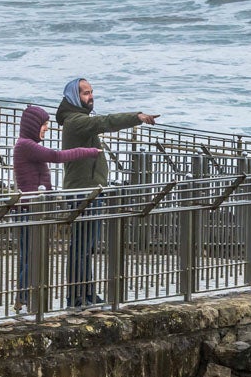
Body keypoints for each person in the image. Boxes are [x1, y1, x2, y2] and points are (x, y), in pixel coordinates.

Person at [56, 78, 158, 307]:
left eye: (91, 92)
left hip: (92, 190)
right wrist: (137, 117)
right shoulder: (75, 121)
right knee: (81, 247)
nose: (90, 96)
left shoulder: (79, 120)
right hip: (83, 193)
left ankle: (87, 293)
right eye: (85, 93)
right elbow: (106, 121)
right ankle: (76, 296)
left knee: (86, 247)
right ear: (73, 96)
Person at [11, 105, 100, 315]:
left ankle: (24, 297)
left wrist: (50, 193)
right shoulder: (26, 145)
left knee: (29, 254)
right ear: (33, 125)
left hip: (32, 208)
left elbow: (41, 174)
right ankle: (24, 296)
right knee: (32, 254)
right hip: (29, 210)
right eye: (43, 125)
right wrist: (90, 151)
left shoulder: (27, 145)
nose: (46, 129)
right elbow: (56, 156)